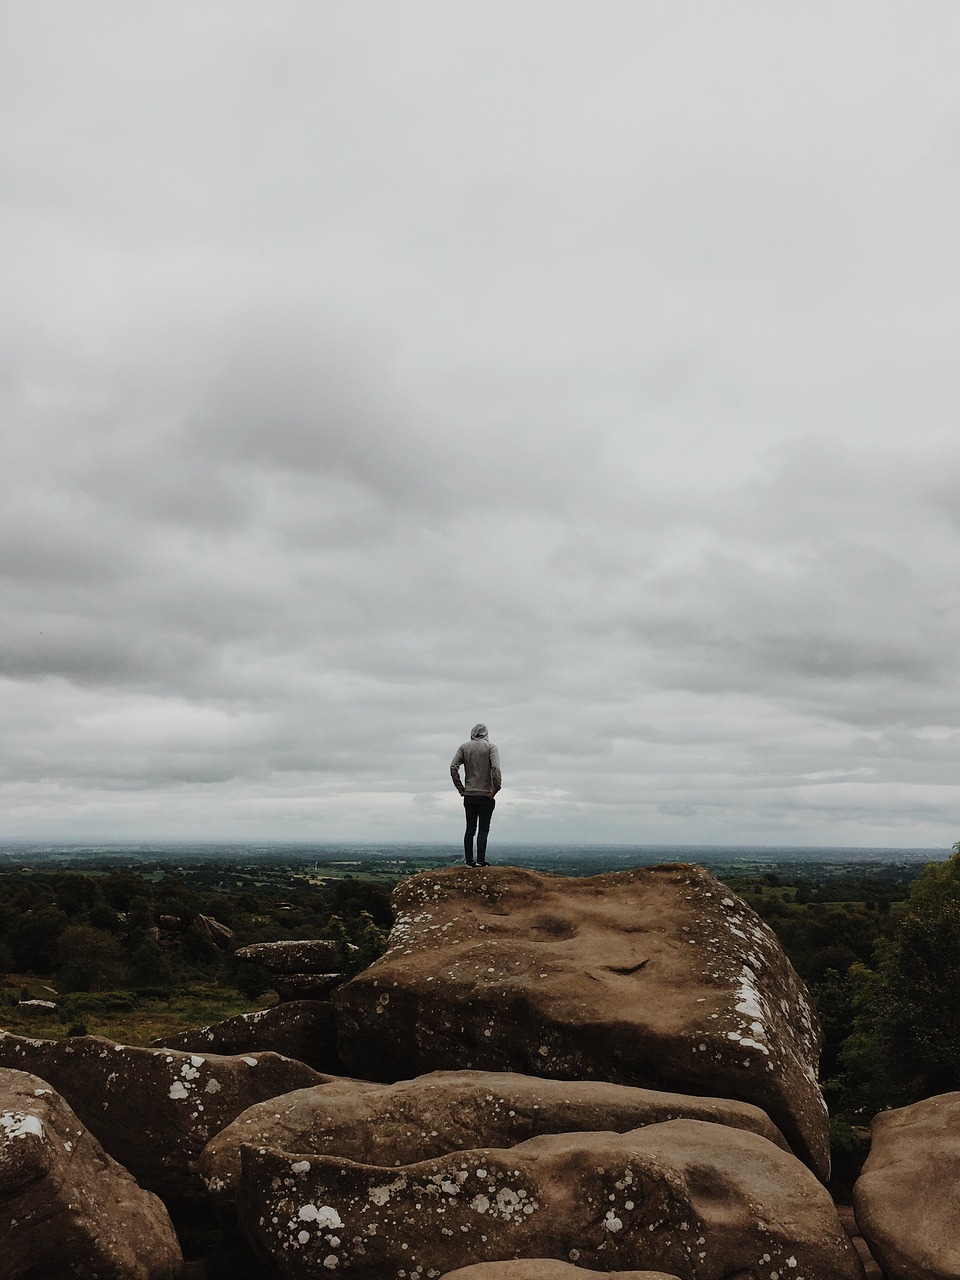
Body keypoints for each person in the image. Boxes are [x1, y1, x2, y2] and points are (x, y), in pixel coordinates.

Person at [450, 723, 501, 867]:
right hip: (486, 795)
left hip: (470, 795)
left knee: (470, 829)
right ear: (486, 734)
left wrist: (461, 788)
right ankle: (480, 861)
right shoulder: (491, 747)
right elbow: (496, 767)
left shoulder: (464, 748)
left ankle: (469, 861)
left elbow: (453, 767)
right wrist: (496, 788)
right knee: (483, 830)